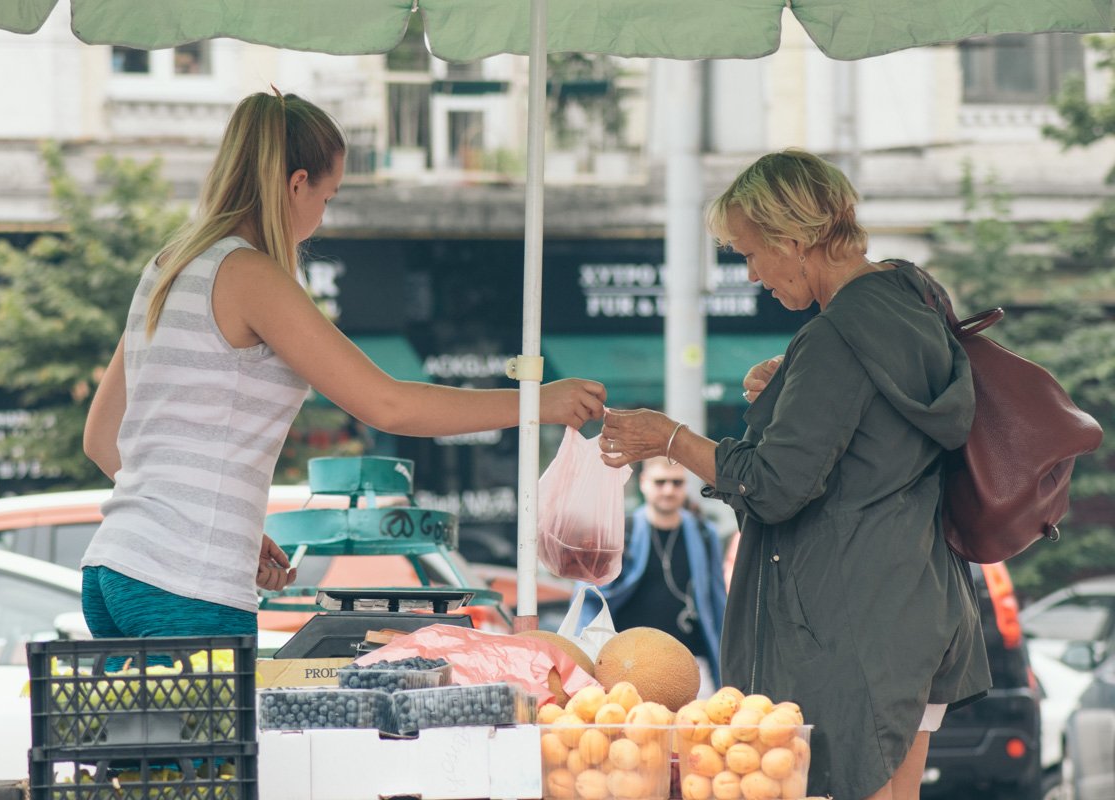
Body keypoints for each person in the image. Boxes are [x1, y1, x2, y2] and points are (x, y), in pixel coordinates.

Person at [80, 90, 606, 641]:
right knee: (214, 730)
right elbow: (387, 404)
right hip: (184, 582)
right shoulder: (251, 275)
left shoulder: (167, 265)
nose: (322, 215)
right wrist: (535, 402)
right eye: (327, 198)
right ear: (296, 184)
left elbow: (101, 438)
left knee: (150, 730)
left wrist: (220, 522)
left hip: (114, 567)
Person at [595, 148, 989, 800]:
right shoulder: (910, 297)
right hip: (919, 609)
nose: (750, 274)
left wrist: (670, 438)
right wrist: (790, 392)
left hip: (852, 630)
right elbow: (872, 433)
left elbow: (775, 485)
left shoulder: (837, 336)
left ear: (797, 240)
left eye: (751, 253)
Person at [581, 456, 727, 694]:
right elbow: (591, 596)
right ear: (643, 482)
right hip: (628, 668)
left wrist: (725, 665)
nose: (668, 490)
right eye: (660, 482)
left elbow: (717, 601)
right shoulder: (621, 532)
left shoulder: (704, 534)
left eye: (676, 483)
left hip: (690, 668)